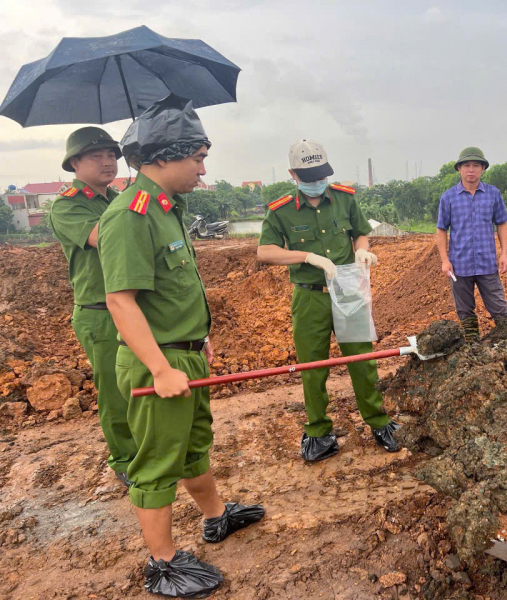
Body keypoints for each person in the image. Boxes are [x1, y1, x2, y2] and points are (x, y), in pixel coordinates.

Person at [98, 95, 264, 598]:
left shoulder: (167, 209)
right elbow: (120, 301)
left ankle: (216, 516)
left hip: (183, 352)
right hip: (158, 360)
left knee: (193, 444)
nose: (203, 169)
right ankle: (163, 563)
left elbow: (172, 291)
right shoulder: (131, 215)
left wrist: (198, 339)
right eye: (197, 158)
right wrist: (159, 367)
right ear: (164, 157)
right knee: (157, 461)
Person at [256, 139, 399, 462]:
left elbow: (360, 232)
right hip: (310, 297)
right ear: (293, 174)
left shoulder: (344, 198)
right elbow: (264, 251)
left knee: (362, 360)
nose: (317, 182)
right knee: (313, 367)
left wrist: (361, 250)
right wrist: (307, 256)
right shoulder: (281, 210)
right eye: (309, 177)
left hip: (349, 290)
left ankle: (379, 422)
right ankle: (318, 432)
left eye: (321, 175)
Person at [49, 127, 137, 488]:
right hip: (100, 312)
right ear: (75, 163)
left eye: (112, 155)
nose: (107, 162)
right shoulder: (68, 204)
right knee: (115, 391)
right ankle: (125, 459)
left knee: (139, 383)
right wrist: (137, 208)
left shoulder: (118, 197)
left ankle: (148, 449)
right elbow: (105, 237)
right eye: (96, 156)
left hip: (131, 306)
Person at [436, 146, 507, 342]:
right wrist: (444, 260)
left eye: (476, 165)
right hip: (459, 266)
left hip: (487, 263)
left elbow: (502, 223)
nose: (471, 170)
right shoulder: (448, 197)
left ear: (483, 168)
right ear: (459, 169)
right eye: (466, 166)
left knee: (500, 309)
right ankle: (472, 348)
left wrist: (504, 254)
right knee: (465, 311)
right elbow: (441, 229)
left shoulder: (493, 194)